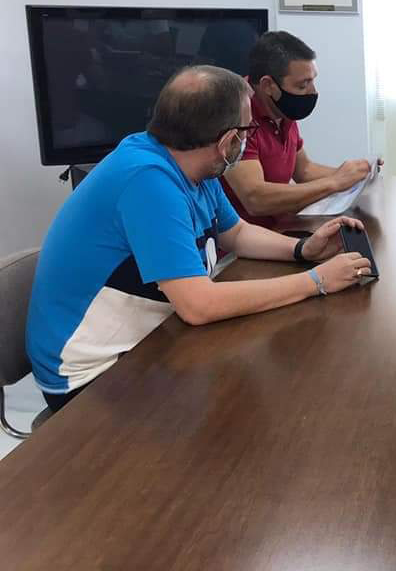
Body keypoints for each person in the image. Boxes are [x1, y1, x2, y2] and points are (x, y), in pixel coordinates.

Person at [27, 66, 373, 414]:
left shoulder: (193, 162)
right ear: (227, 141)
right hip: (91, 375)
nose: (248, 138)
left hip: (150, 338)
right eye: (247, 130)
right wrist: (316, 282)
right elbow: (199, 306)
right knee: (262, 402)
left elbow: (236, 233)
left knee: (259, 384)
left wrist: (302, 249)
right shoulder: (147, 181)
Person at [222, 31, 375, 229]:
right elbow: (255, 198)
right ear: (268, 85)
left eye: (312, 81)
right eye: (303, 85)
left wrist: (357, 175)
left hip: (281, 227)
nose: (313, 92)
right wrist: (335, 182)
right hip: (247, 239)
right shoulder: (238, 115)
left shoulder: (281, 109)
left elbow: (304, 170)